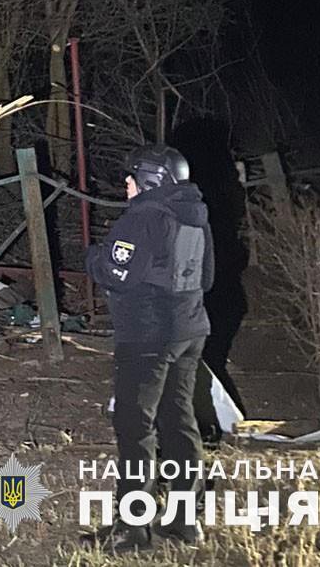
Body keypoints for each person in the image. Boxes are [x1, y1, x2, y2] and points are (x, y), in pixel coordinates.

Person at [84, 144, 215, 551]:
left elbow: (116, 272)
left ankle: (131, 529)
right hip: (189, 330)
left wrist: (93, 258)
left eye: (132, 176)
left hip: (148, 336)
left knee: (134, 426)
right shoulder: (195, 215)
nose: (126, 183)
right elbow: (208, 277)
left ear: (150, 179)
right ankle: (184, 522)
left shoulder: (143, 216)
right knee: (179, 421)